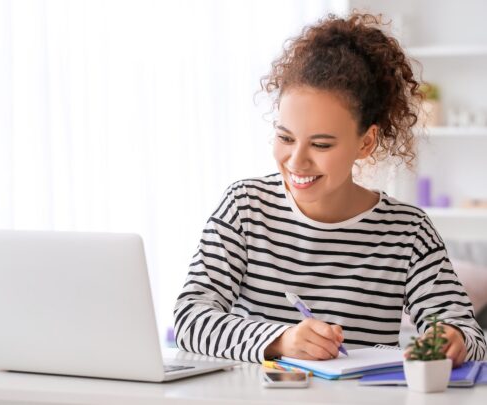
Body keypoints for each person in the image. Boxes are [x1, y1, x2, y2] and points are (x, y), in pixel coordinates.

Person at [173, 12, 486, 366]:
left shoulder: (407, 232)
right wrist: (280, 339)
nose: (296, 161)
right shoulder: (245, 208)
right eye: (285, 137)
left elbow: (470, 333)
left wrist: (452, 337)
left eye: (321, 145)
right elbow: (189, 318)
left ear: (365, 143)